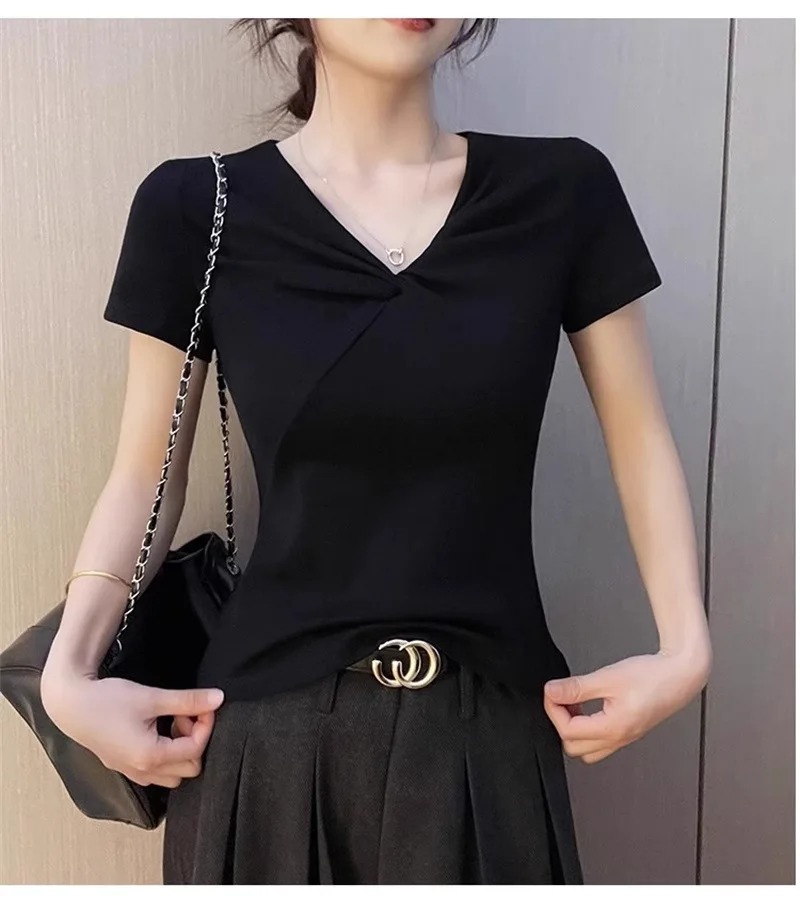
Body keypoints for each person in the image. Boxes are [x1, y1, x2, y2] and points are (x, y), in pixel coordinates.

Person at [39, 18, 712, 885]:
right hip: (264, 749)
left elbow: (640, 437)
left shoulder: (563, 193)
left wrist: (686, 647)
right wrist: (69, 673)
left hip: (490, 740)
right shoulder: (195, 208)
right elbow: (146, 473)